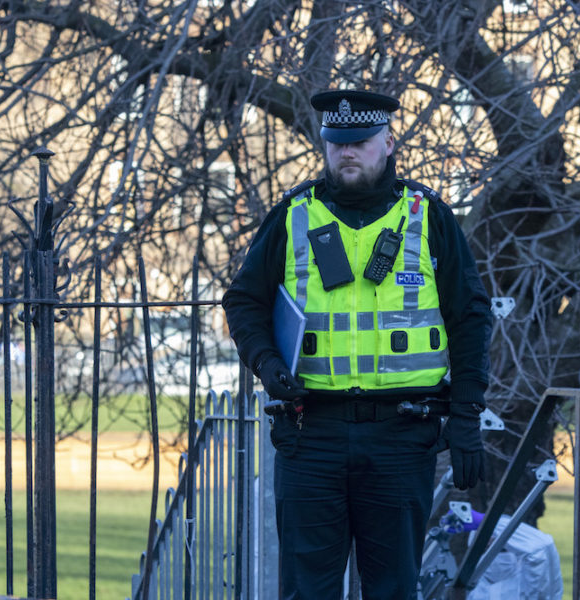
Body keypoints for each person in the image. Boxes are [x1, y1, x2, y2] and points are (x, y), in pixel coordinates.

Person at [222, 88, 492, 599]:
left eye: (361, 142)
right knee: (306, 591)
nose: (347, 153)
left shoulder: (427, 216)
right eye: (337, 143)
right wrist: (266, 361)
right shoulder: (293, 215)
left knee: (392, 590)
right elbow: (243, 301)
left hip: (401, 435)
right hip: (310, 433)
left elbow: (471, 317)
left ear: (389, 143)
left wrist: (466, 416)